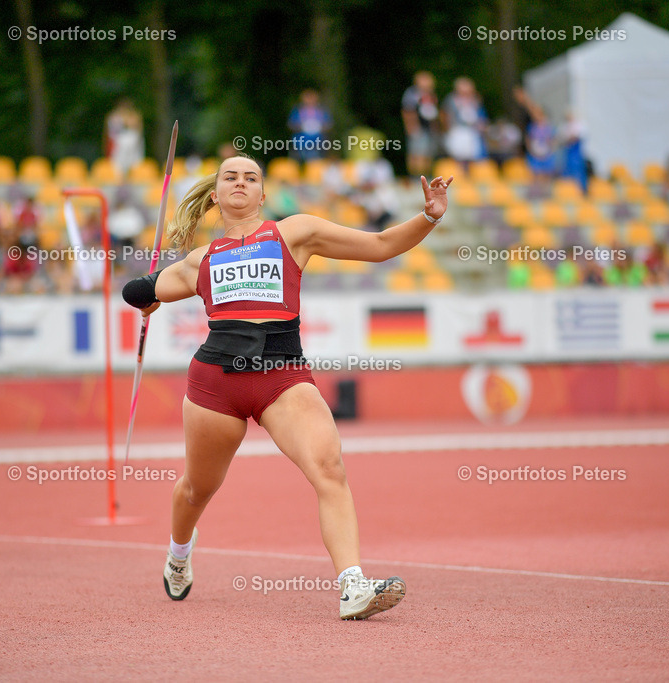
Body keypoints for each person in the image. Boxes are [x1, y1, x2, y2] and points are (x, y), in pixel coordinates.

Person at [121, 155, 453, 620]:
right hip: (216, 383)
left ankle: (353, 586)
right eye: (230, 177)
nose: (241, 182)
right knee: (197, 489)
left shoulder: (294, 232)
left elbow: (380, 245)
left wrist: (428, 217)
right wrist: (146, 292)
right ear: (215, 194)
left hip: (283, 377)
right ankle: (179, 553)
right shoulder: (201, 259)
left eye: (251, 177)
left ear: (263, 195)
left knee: (329, 468)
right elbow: (136, 290)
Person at [441, 77, 488, 166]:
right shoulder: (451, 99)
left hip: (472, 131)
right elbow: (444, 114)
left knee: (472, 155)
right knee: (458, 155)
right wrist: (446, 128)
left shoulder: (476, 99)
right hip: (457, 130)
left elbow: (481, 115)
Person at [401, 71, 440, 176]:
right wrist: (412, 128)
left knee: (428, 154)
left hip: (429, 129)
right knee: (417, 154)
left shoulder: (431, 94)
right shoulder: (411, 94)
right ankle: (416, 176)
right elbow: (407, 111)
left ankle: (426, 176)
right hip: (417, 128)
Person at [287, 89, 332, 161]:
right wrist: (302, 127)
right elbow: (291, 124)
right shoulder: (297, 110)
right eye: (307, 97)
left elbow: (329, 125)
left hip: (318, 143)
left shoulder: (322, 111)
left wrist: (319, 127)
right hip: (300, 143)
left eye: (312, 97)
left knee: (317, 162)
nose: (309, 100)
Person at [104, 98, 145, 179]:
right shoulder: (114, 117)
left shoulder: (134, 116)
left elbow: (138, 131)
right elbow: (109, 134)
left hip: (132, 149)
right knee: (117, 168)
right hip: (118, 150)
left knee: (134, 168)